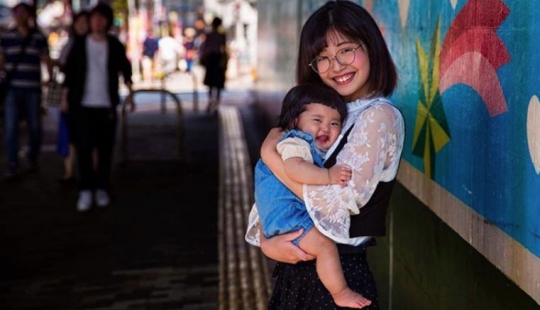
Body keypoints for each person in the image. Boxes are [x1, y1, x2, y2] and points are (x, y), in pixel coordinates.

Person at [245, 1, 405, 309]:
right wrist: (268, 242)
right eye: (322, 57)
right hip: (297, 276)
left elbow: (337, 203)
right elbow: (271, 198)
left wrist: (271, 156)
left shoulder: (378, 117)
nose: (336, 65)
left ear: (370, 47)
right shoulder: (326, 116)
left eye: (346, 50)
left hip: (341, 279)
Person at [254, 83, 371, 308]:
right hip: (289, 217)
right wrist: (328, 175)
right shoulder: (295, 142)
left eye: (334, 123)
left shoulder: (293, 142)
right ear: (294, 120)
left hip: (283, 217)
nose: (325, 128)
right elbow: (294, 169)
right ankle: (340, 292)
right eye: (317, 120)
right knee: (325, 246)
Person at [61, 2, 135, 212]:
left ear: (108, 22)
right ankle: (85, 189)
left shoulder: (113, 45)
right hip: (82, 105)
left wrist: (130, 93)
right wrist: (66, 98)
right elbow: (70, 74)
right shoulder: (79, 44)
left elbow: (125, 69)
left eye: (102, 18)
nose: (97, 21)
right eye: (94, 17)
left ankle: (101, 187)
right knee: (83, 149)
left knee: (105, 150)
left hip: (106, 106)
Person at [0, 2, 53, 180]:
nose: (21, 15)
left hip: (33, 89)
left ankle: (32, 159)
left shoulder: (38, 37)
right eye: (18, 12)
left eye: (24, 12)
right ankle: (13, 163)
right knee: (11, 128)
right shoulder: (6, 37)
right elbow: (1, 62)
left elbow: (46, 59)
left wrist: (50, 78)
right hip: (12, 90)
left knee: (35, 127)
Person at [56, 10, 90, 184]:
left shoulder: (98, 44)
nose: (82, 25)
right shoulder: (69, 44)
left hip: (92, 98)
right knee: (69, 136)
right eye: (79, 22)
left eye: (85, 21)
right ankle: (69, 172)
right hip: (72, 97)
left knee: (91, 137)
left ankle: (90, 175)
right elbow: (64, 71)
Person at [200, 17, 227, 114]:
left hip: (211, 59)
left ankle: (210, 101)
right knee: (218, 83)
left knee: (211, 83)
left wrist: (204, 59)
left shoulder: (209, 35)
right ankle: (216, 103)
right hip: (218, 59)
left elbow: (205, 48)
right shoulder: (222, 36)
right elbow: (224, 48)